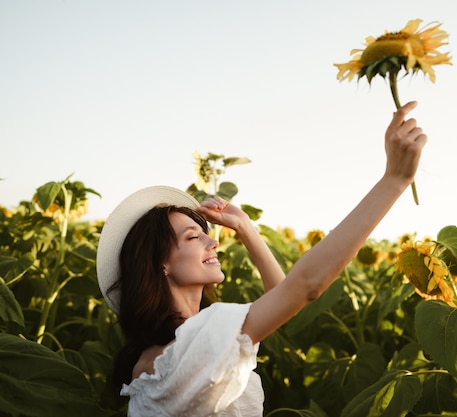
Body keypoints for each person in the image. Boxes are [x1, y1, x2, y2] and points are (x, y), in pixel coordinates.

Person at [96, 101, 428, 416]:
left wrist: (244, 228)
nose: (213, 242)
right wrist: (393, 181)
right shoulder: (188, 348)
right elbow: (304, 288)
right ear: (159, 265)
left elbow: (282, 299)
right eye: (194, 237)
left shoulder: (166, 354)